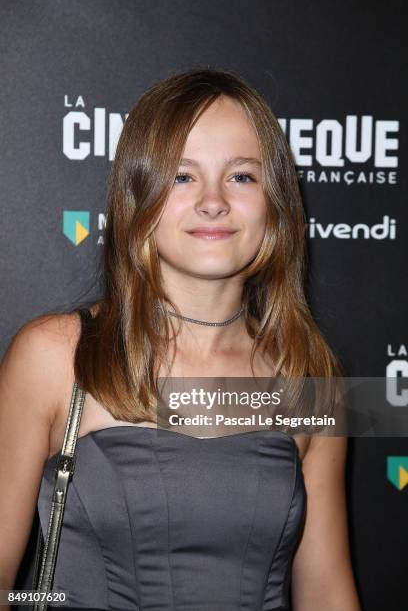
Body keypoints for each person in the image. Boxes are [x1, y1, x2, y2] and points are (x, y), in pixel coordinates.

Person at [0, 68, 361, 610]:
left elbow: (328, 593)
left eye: (241, 176)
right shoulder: (55, 357)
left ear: (276, 201)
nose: (213, 201)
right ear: (136, 196)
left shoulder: (310, 378)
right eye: (181, 176)